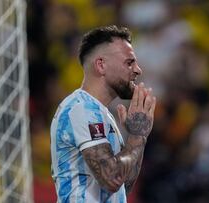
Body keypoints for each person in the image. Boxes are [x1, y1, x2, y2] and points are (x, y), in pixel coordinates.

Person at [50, 25, 156, 203]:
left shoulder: (102, 114)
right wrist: (136, 137)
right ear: (101, 65)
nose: (138, 70)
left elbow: (124, 184)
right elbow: (111, 178)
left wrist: (140, 137)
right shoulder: (81, 108)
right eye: (129, 62)